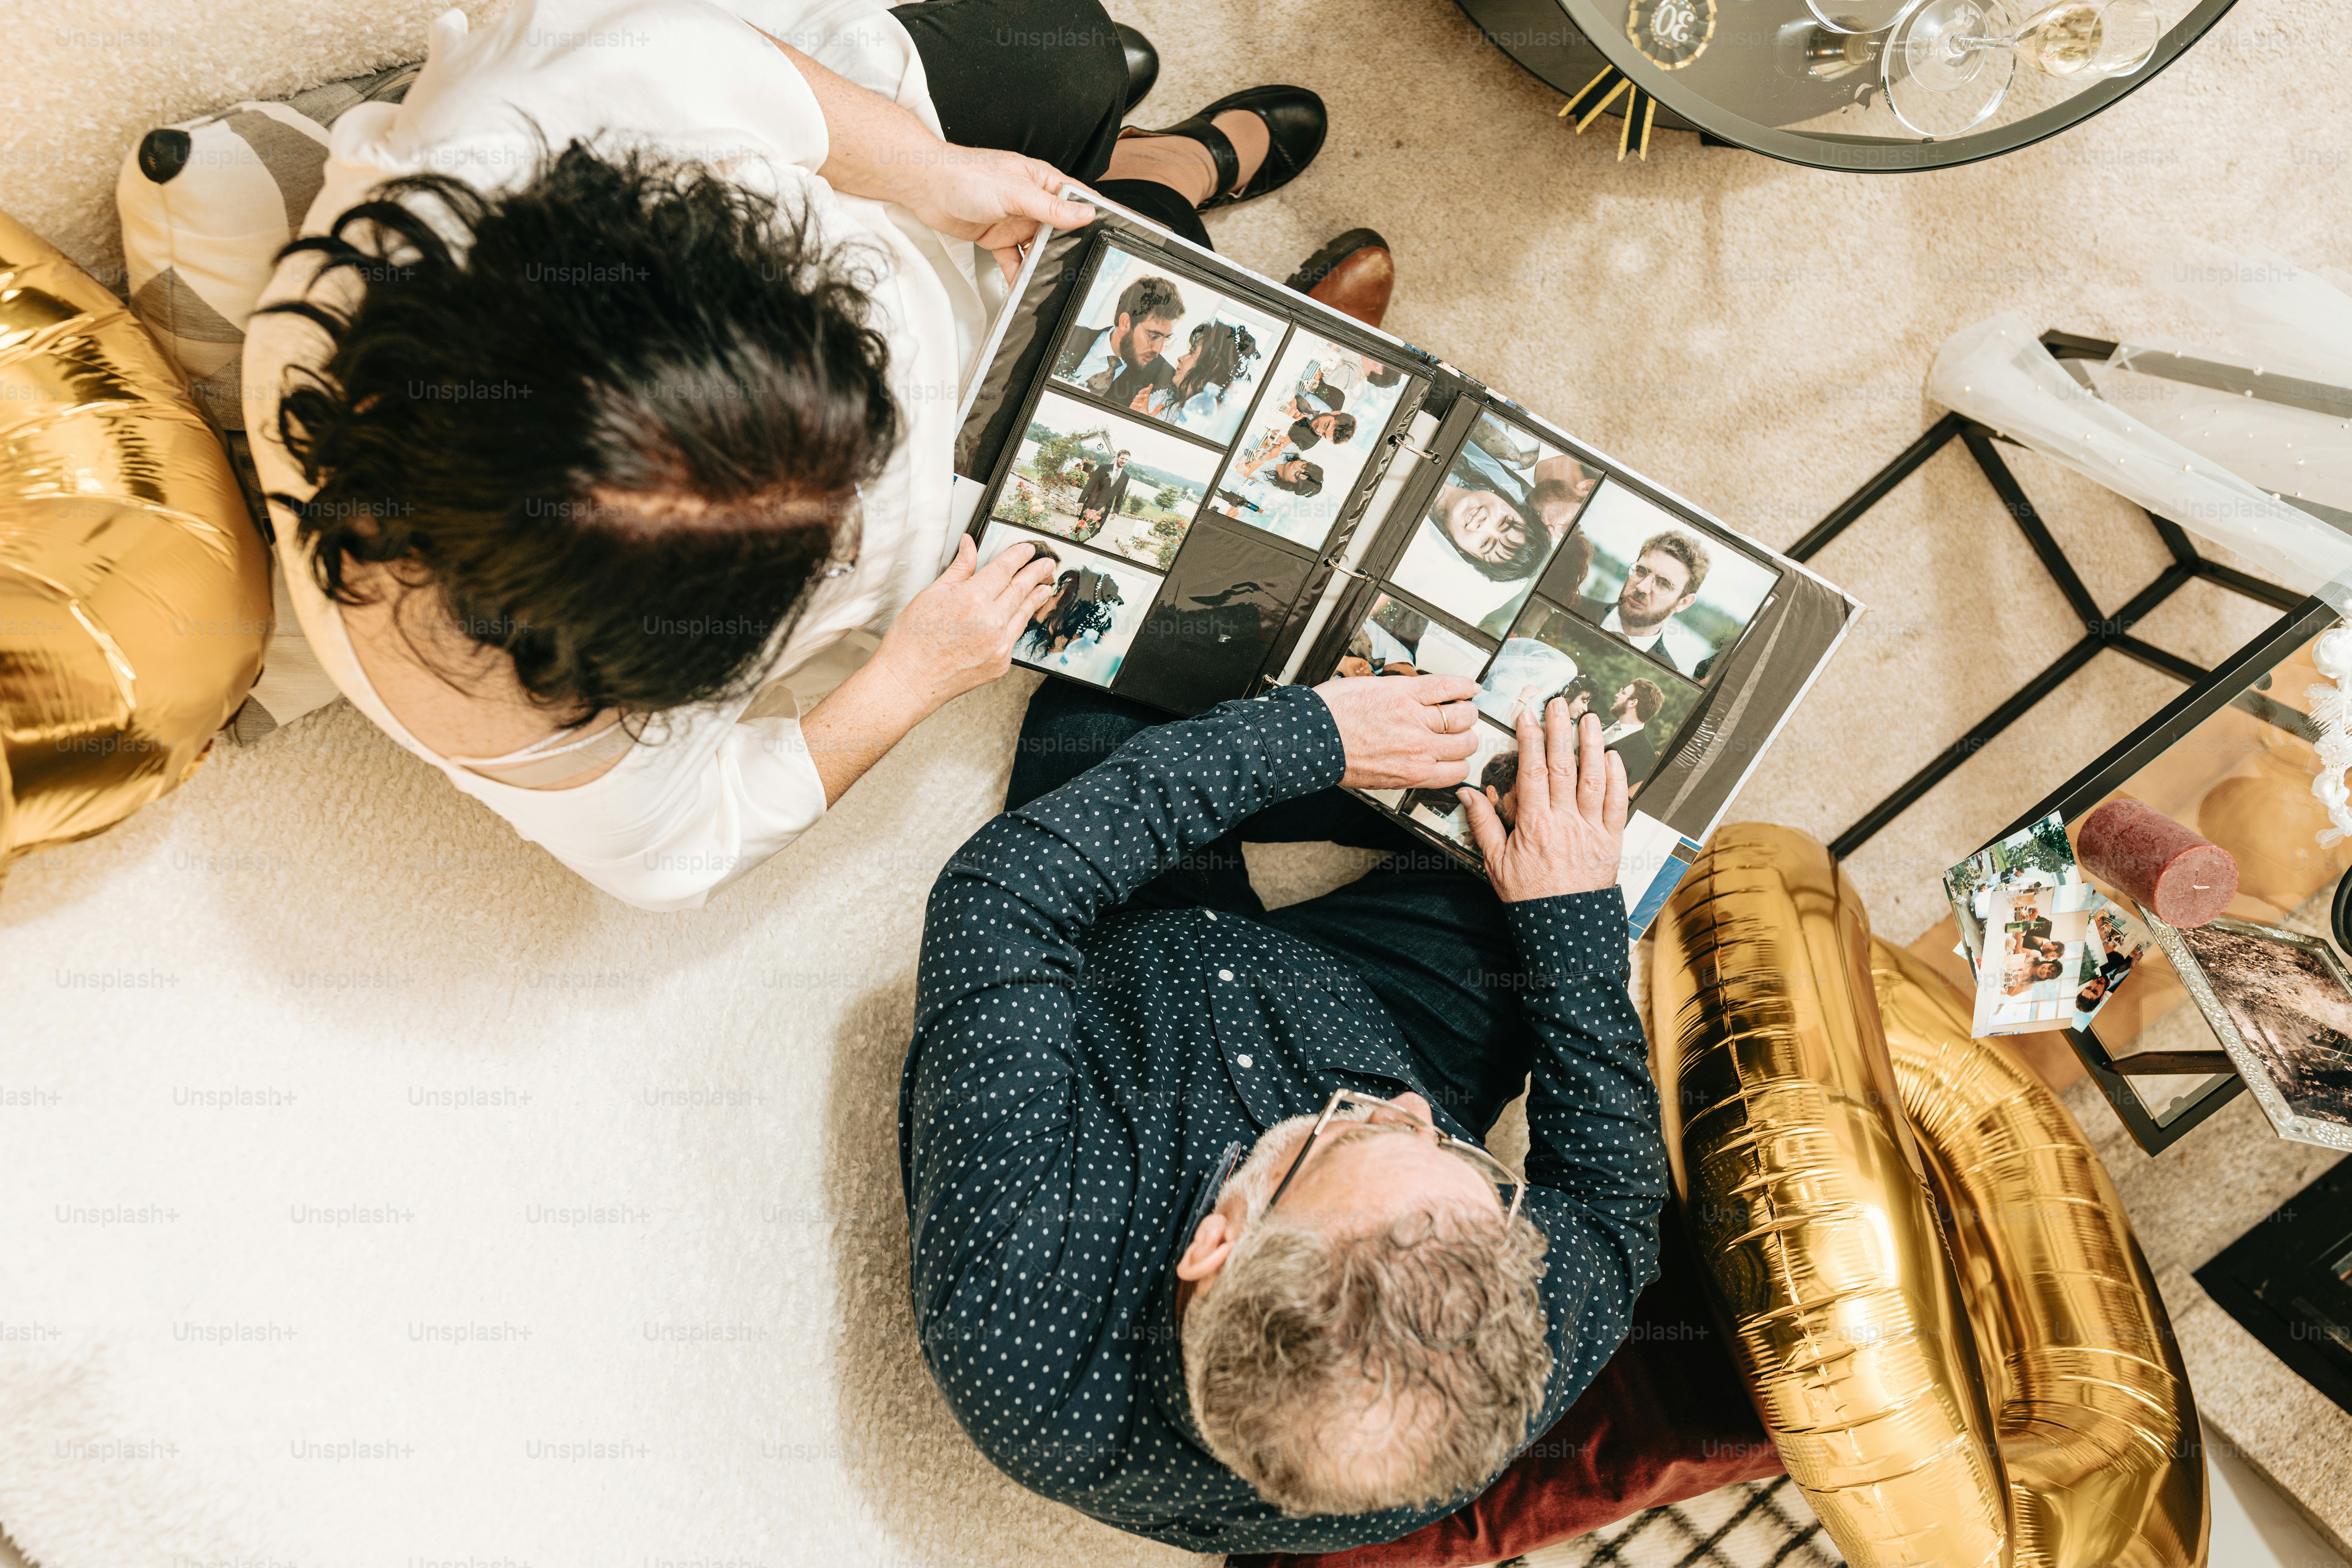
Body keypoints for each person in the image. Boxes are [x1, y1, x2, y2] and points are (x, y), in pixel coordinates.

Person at [243, 0, 1384, 910]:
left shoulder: (516, 129)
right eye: (823, 529)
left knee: (1069, 54)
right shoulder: (542, 740)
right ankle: (1174, 185)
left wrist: (932, 173)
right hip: (957, 478)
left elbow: (722, 61)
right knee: (1179, 453)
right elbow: (684, 853)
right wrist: (908, 676)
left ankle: (1134, 160)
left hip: (896, 213)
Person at [902, 675, 1664, 1555]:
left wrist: (1312, 735)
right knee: (1549, 813)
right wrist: (1569, 916)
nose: (1408, 1110)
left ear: (1213, 1243)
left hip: (1143, 964)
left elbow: (997, 897)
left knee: (1102, 703)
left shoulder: (1020, 1302)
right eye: (1462, 1158)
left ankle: (1336, 760)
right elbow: (1617, 1218)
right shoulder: (1489, 1362)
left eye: (1357, 1130)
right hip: (1389, 1019)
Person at [1578, 532, 1713, 676]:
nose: (1642, 587)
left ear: (1683, 603)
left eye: (1663, 584)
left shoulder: (1667, 678)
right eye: (1641, 571)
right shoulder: (1573, 607)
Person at [1057, 273, 1184, 412]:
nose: (1158, 349)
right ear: (1125, 323)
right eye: (1153, 336)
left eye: (1166, 338)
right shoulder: (1066, 335)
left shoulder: (1163, 382)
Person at [1599, 679, 1664, 786]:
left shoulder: (1646, 757)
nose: (1617, 695)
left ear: (1633, 703)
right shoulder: (1600, 722)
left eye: (1623, 693)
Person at [1078, 448, 1133, 530]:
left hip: (1105, 509)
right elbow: (1090, 484)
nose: (1124, 461)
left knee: (1094, 531)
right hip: (1091, 504)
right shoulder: (1104, 468)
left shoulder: (1126, 476)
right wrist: (1081, 501)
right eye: (1122, 458)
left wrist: (1116, 511)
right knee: (1080, 528)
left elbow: (1121, 494)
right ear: (1117, 458)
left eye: (1126, 460)